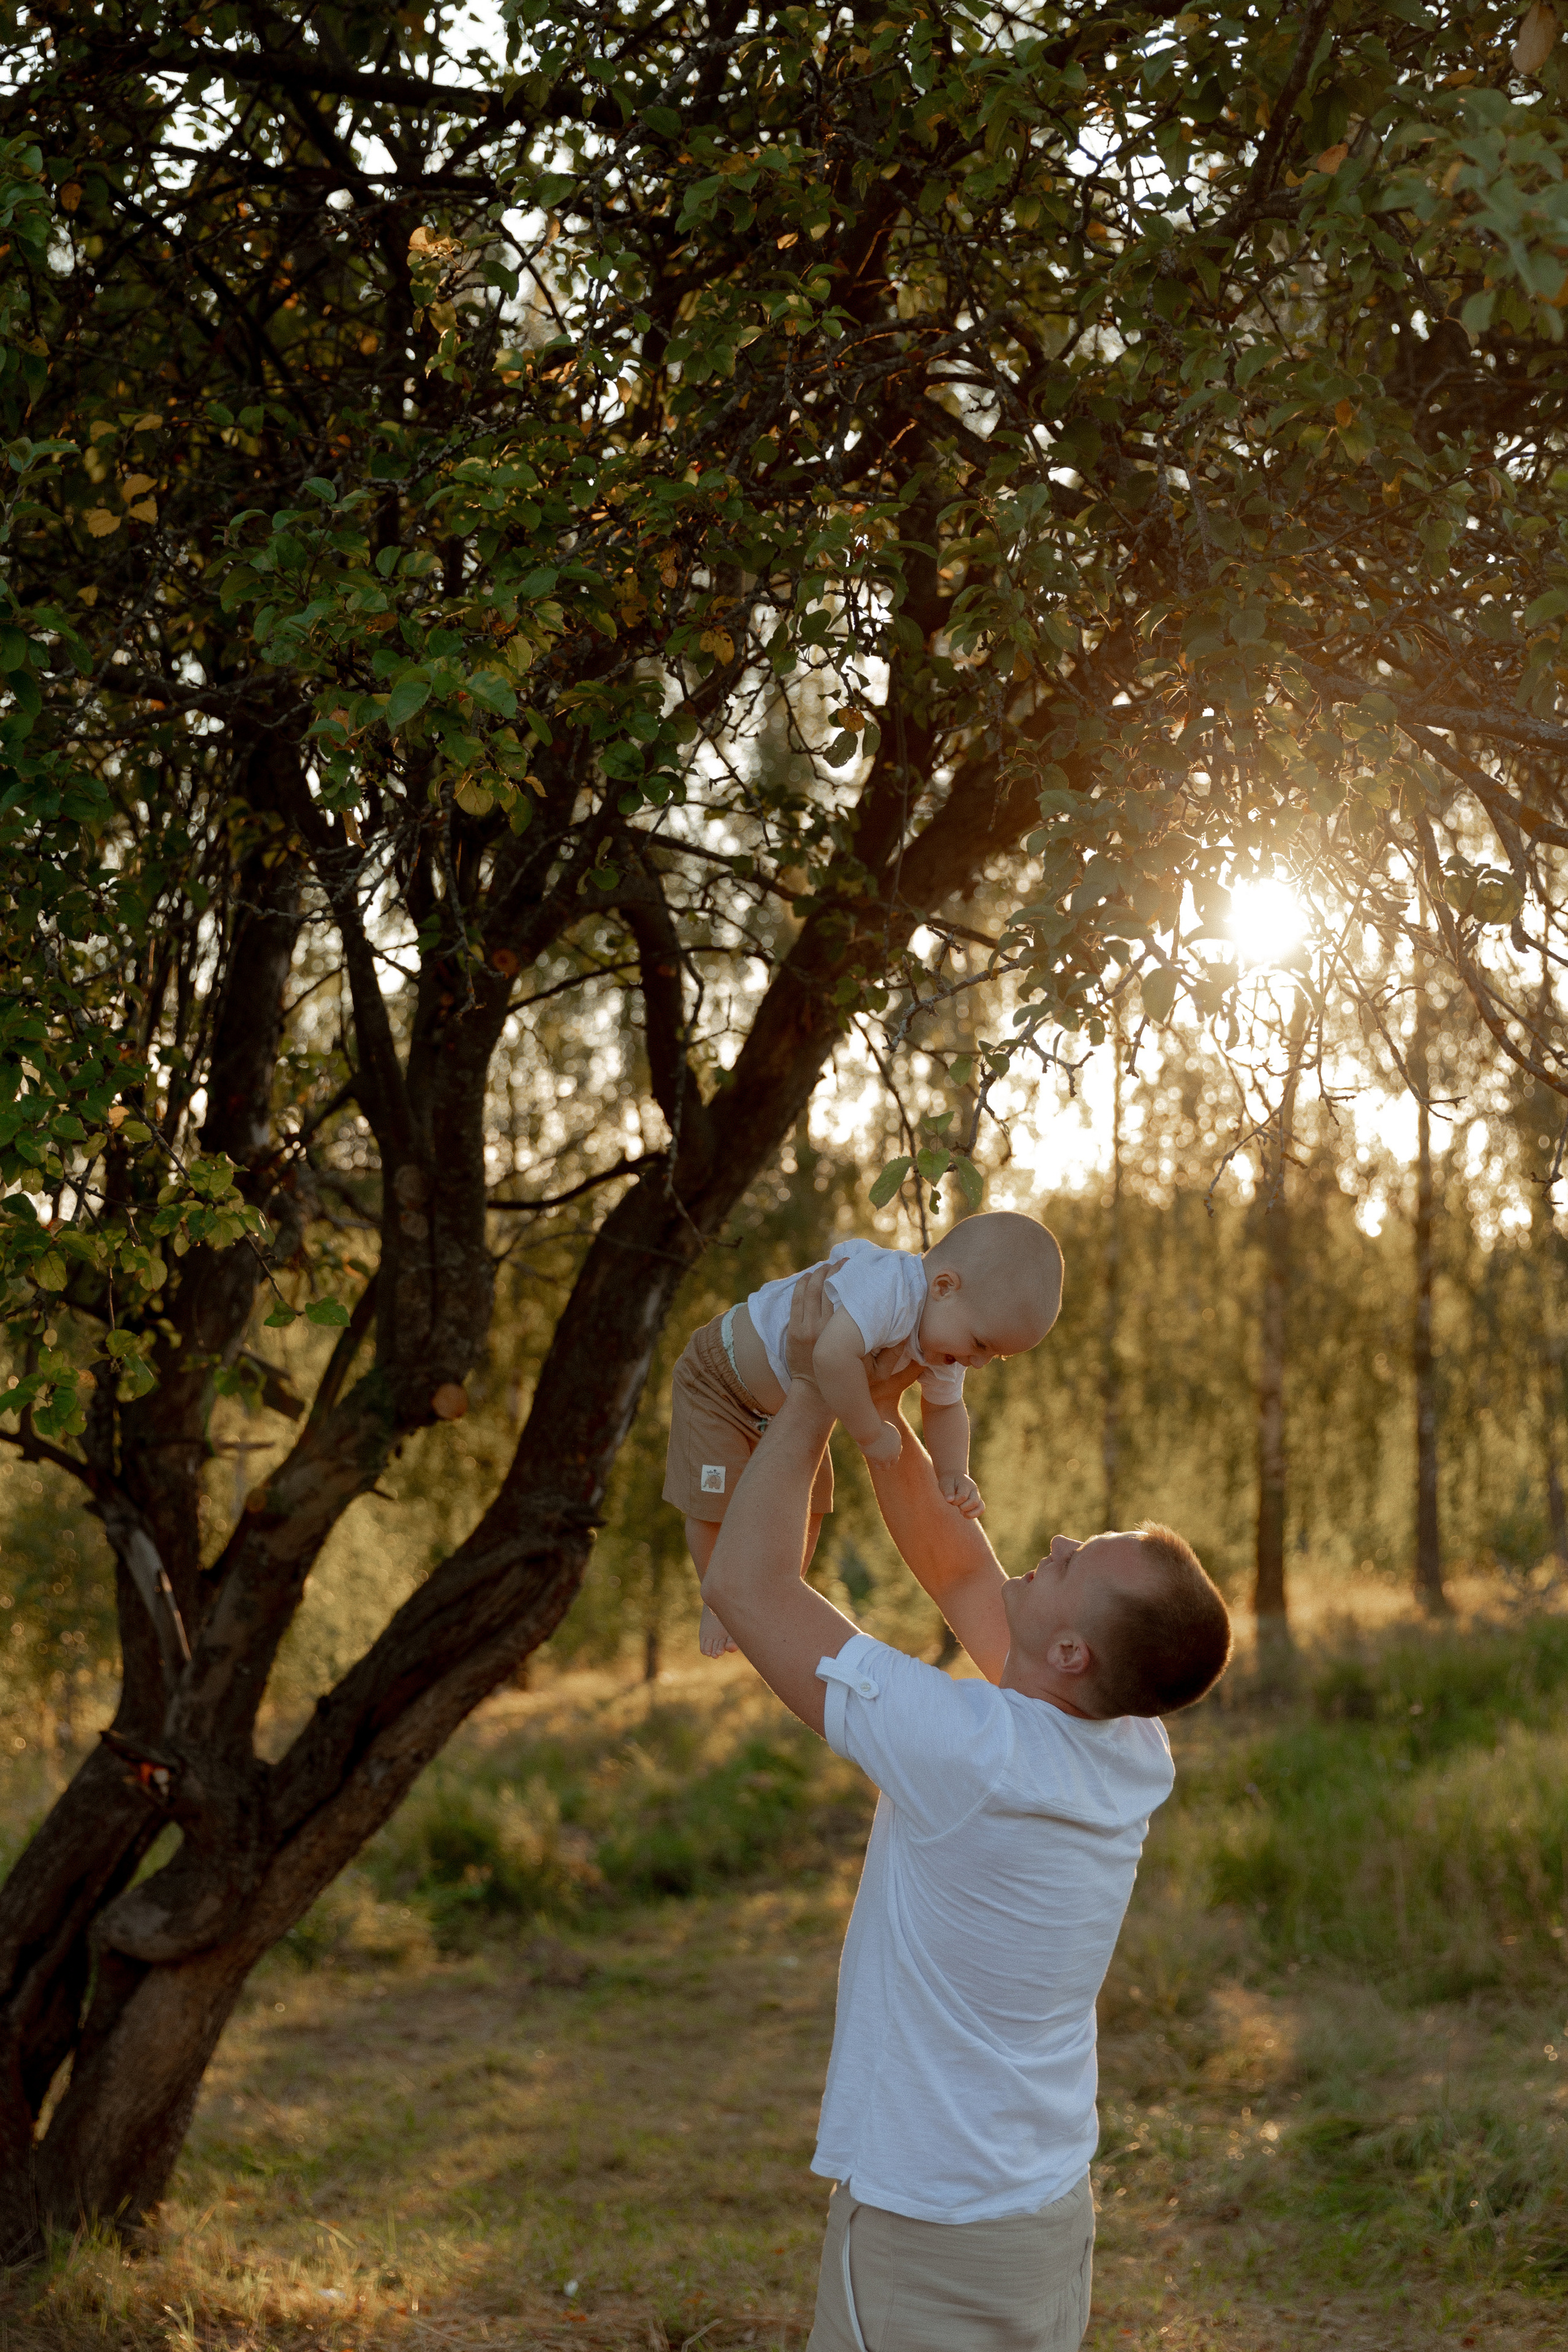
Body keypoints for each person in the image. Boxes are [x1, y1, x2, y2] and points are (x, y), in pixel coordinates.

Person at [701, 1268, 1231, 2352]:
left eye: (1081, 1562)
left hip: (927, 2232)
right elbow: (958, 1569)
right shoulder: (1126, 1743)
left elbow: (749, 1590)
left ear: (1073, 1651)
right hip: (1042, 2216)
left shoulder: (973, 1753)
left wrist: (810, 1391)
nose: (1060, 1545)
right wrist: (881, 1416)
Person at [662, 1212, 1064, 1656]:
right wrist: (872, 1434)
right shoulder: (889, 1288)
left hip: (780, 1410)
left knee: (812, 1506)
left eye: (995, 1357)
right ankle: (716, 1597)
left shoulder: (943, 1342)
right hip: (720, 1382)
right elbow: (832, 1358)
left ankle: (769, 1594)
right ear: (944, 1287)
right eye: (982, 1345)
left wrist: (953, 1471)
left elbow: (946, 1407)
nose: (978, 1363)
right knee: (712, 1504)